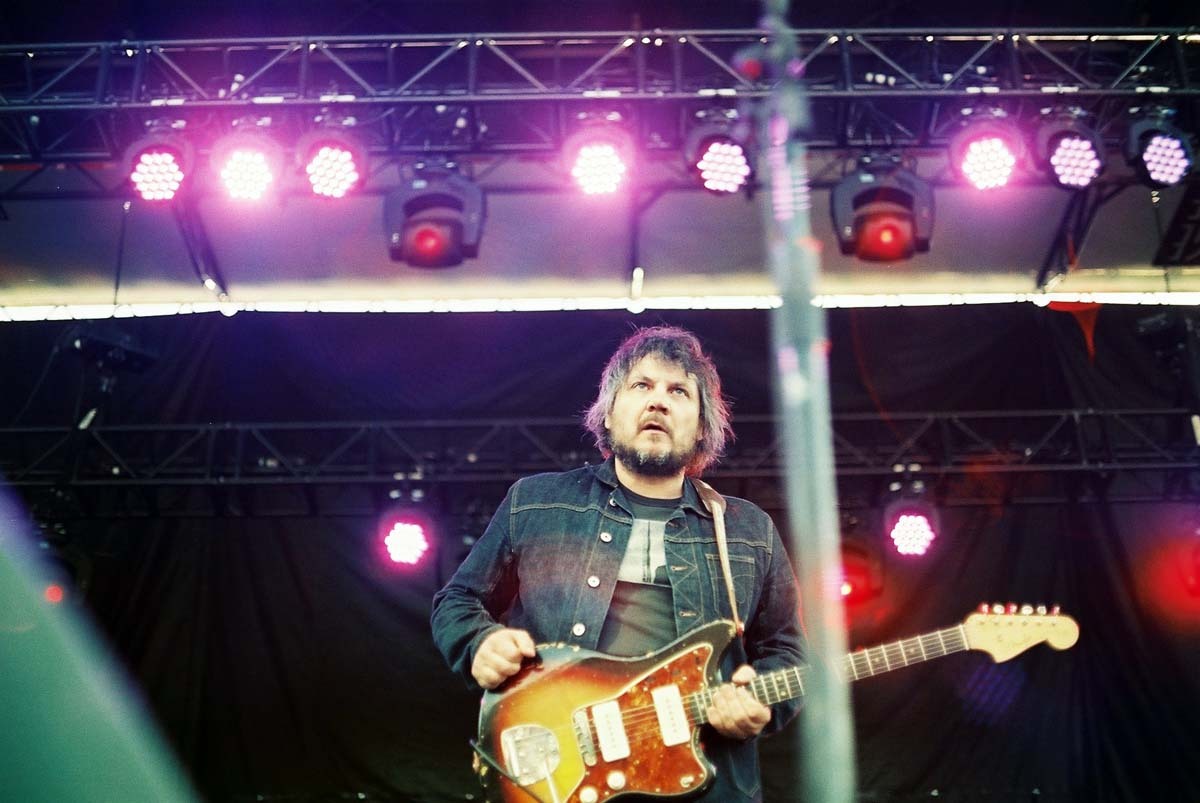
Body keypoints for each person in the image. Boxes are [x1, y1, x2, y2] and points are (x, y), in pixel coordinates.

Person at [431, 325, 805, 802]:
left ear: (702, 427)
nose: (659, 402)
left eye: (679, 391)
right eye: (641, 386)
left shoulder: (747, 528)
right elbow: (457, 601)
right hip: (562, 772)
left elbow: (787, 650)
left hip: (706, 779)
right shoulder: (536, 503)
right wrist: (479, 643)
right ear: (609, 413)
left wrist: (759, 704)